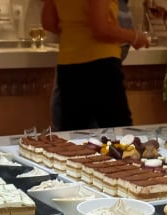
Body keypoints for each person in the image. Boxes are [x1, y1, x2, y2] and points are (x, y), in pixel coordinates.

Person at [42, 0, 150, 131]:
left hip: (68, 65)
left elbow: (48, 22)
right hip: (100, 63)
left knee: (75, 133)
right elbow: (100, 28)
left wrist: (75, 32)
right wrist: (135, 37)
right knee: (118, 132)